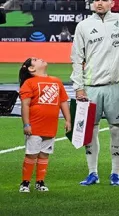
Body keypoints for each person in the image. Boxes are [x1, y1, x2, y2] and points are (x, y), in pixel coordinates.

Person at [71, 0, 119, 186]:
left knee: (116, 130)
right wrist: (78, 87)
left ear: (112, 3)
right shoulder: (83, 26)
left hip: (115, 86)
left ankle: (116, 173)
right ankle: (92, 173)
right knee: (91, 131)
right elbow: (76, 58)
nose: (99, 2)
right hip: (91, 87)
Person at [19, 57, 71, 193]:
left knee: (44, 154)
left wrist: (68, 120)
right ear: (31, 68)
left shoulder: (57, 81)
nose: (40, 59)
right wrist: (26, 124)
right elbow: (25, 105)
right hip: (35, 126)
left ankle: (40, 182)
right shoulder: (29, 83)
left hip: (50, 126)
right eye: (36, 60)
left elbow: (63, 101)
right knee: (31, 154)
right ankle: (25, 183)